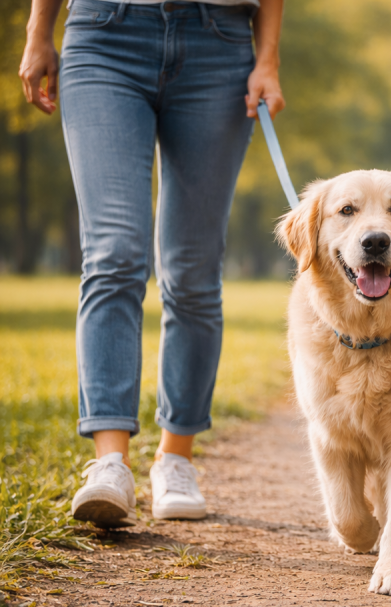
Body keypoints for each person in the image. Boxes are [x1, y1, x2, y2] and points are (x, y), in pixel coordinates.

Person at [19, 0, 285, 527]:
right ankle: (109, 463)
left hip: (220, 41)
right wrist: (38, 30)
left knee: (192, 270)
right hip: (104, 35)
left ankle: (176, 459)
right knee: (114, 252)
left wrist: (268, 56)